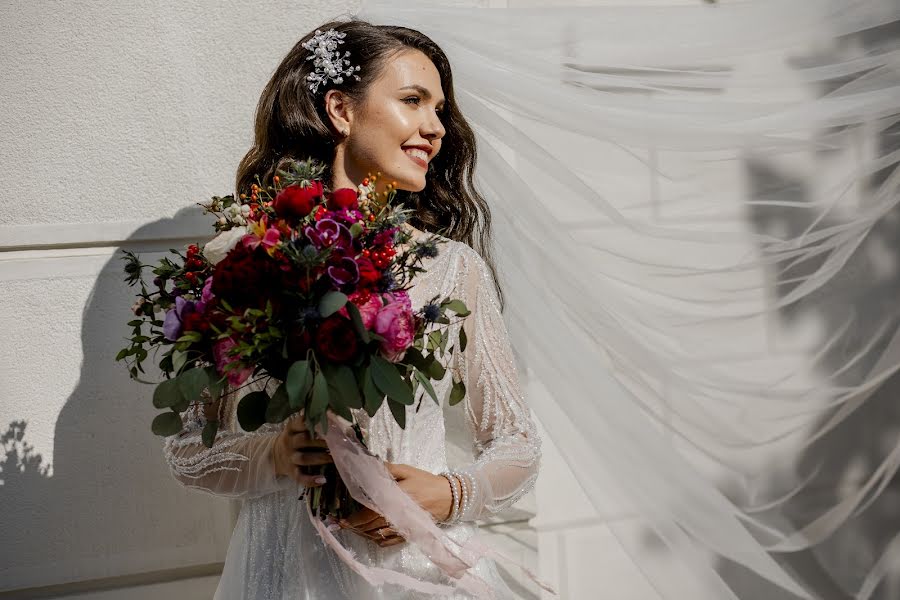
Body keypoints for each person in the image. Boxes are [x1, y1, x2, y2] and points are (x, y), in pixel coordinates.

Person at [162, 19, 540, 600]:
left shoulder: (453, 268)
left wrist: (448, 494)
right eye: (414, 101)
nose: (436, 129)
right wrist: (276, 452)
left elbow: (516, 440)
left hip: (420, 574)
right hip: (285, 569)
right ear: (340, 109)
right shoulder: (247, 260)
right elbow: (186, 450)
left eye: (440, 109)